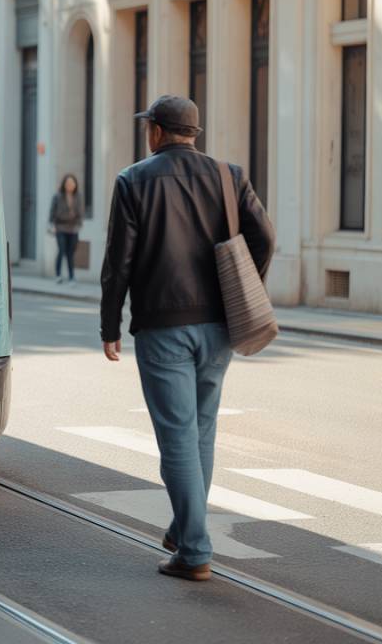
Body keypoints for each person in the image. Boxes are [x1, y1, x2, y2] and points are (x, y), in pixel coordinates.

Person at [100, 95, 275, 582]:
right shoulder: (229, 176)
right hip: (218, 325)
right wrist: (246, 286)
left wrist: (110, 325)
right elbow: (265, 237)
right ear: (193, 133)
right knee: (201, 430)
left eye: (148, 127)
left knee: (177, 436)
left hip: (162, 325)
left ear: (156, 131)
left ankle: (195, 550)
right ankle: (183, 529)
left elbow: (119, 262)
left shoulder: (133, 180)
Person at [49, 174, 83, 283]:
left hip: (73, 228)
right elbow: (52, 213)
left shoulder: (78, 196)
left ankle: (71, 276)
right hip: (60, 227)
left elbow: (80, 213)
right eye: (68, 183)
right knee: (61, 250)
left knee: (70, 253)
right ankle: (58, 275)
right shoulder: (57, 196)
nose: (70, 185)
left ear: (75, 184)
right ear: (64, 184)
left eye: (72, 183)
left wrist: (78, 225)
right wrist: (52, 226)